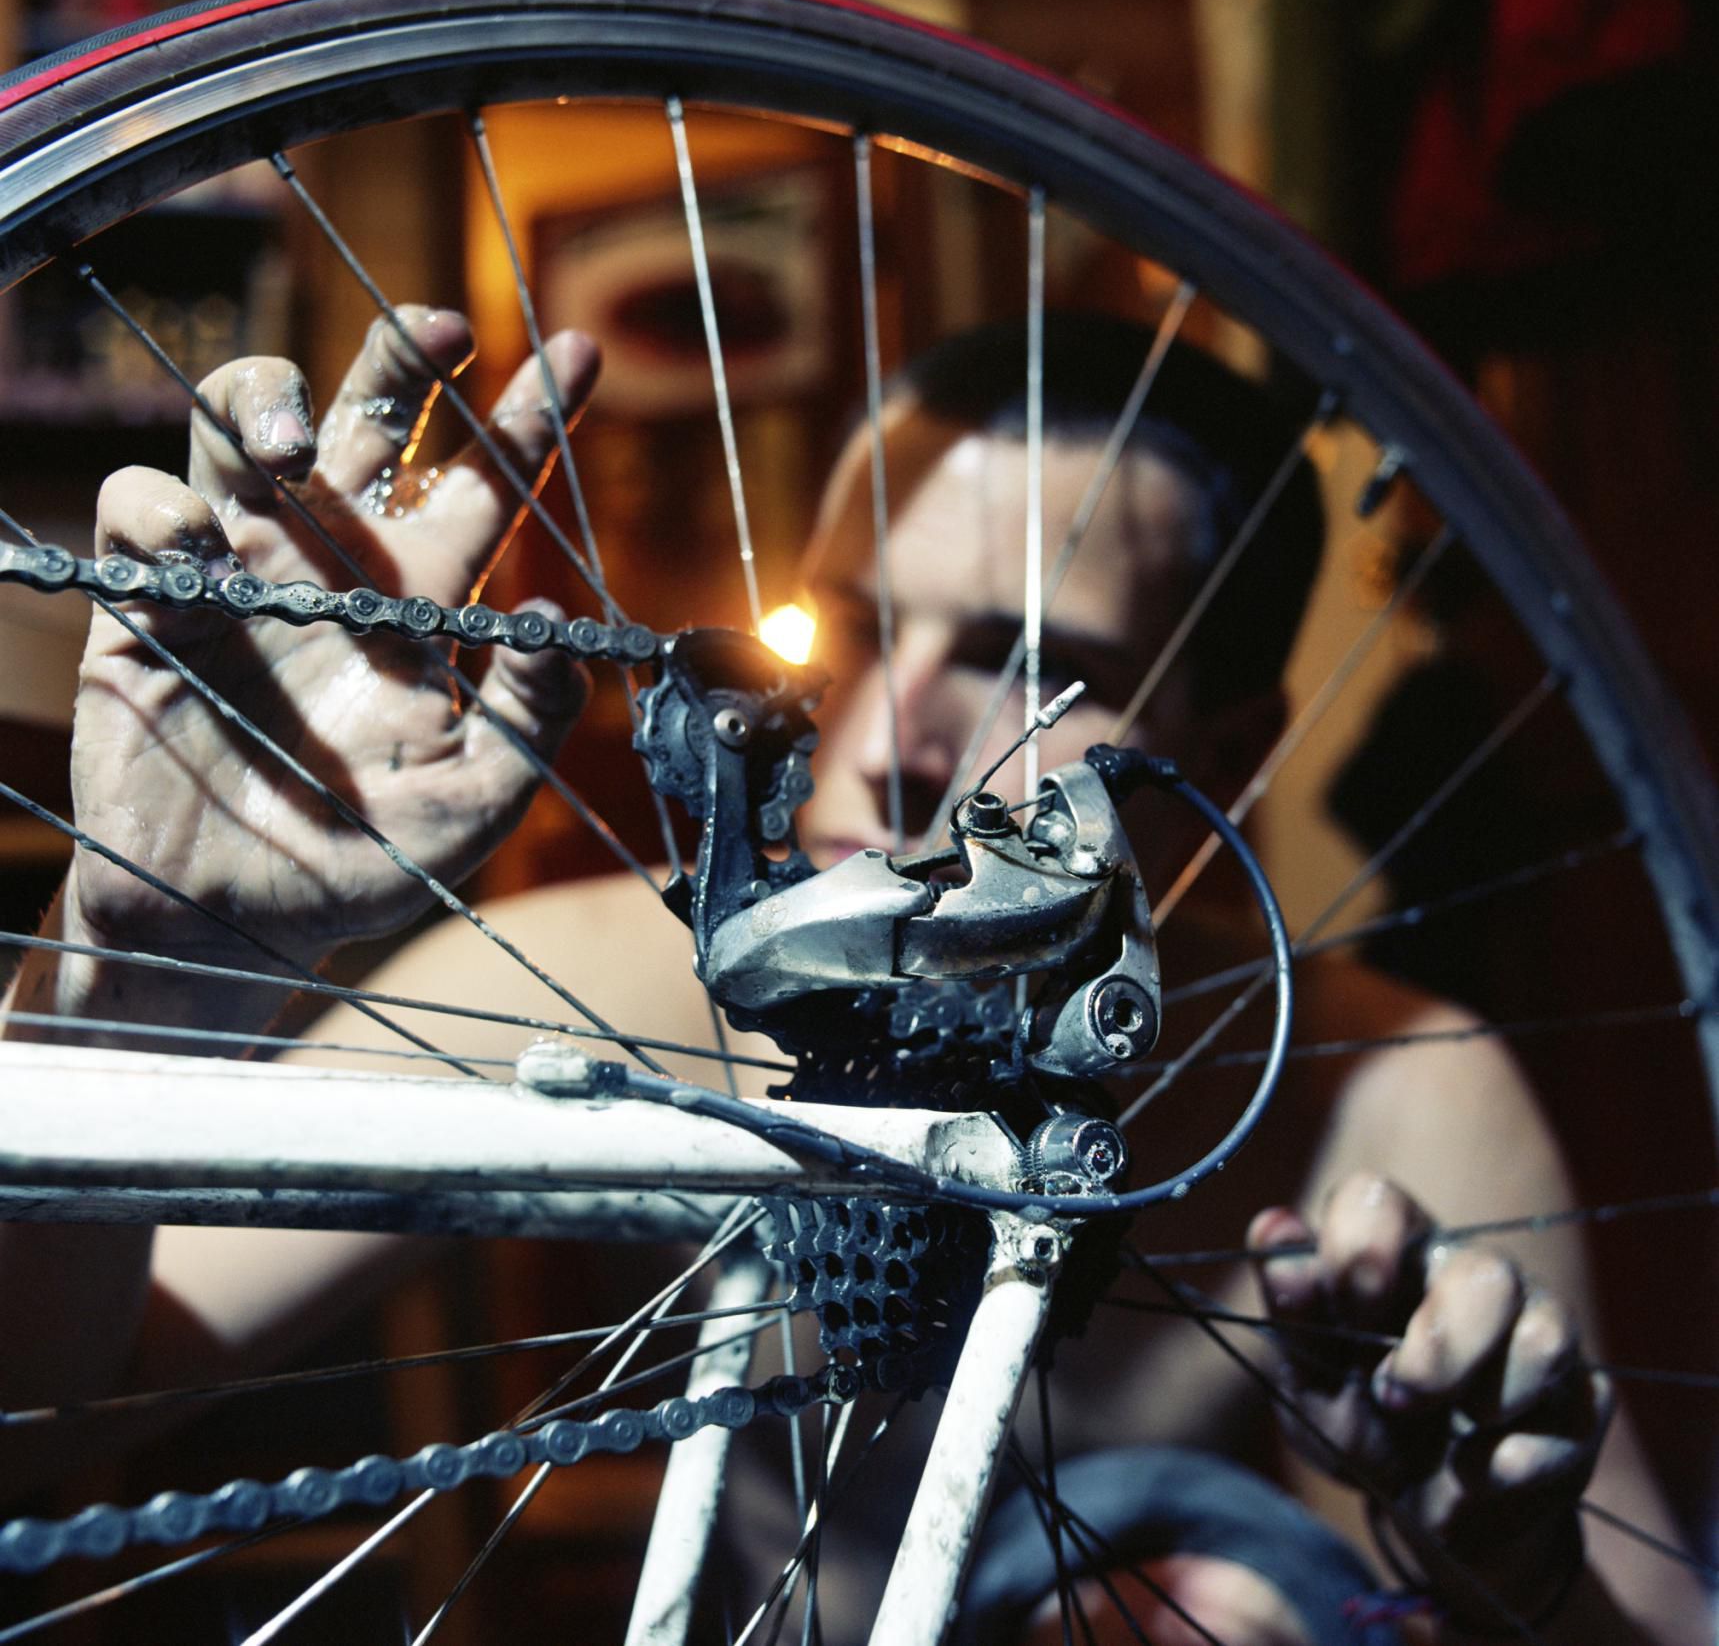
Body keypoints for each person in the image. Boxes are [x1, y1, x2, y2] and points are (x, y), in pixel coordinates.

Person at [0, 308, 1705, 1645]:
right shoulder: (627, 980)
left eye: (1039, 664)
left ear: (1227, 757)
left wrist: (1515, 1575)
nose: (886, 748)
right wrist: (145, 968)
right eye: (855, 627)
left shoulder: (1387, 1098)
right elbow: (42, 1417)